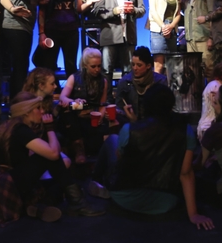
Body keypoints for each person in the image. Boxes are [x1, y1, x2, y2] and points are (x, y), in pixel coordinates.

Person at [88, 84, 214, 230]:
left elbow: (120, 157)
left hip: (125, 198)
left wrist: (134, 124)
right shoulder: (185, 130)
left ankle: (96, 181)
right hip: (166, 201)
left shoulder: (129, 129)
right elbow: (185, 173)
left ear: (145, 106)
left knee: (112, 140)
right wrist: (193, 214)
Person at [0, 91, 105, 225]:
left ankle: (38, 207)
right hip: (3, 186)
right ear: (27, 111)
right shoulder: (20, 130)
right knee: (49, 157)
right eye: (38, 108)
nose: (42, 111)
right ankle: (78, 203)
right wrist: (50, 128)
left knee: (54, 184)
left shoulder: (7, 128)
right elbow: (54, 154)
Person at [3, 0, 62, 100]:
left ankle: (21, 101)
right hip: (15, 28)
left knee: (22, 66)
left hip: (24, 28)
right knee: (19, 68)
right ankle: (17, 103)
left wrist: (37, 1)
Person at [33, 0, 98, 78]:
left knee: (71, 66)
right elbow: (42, 11)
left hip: (71, 31)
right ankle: (53, 89)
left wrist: (91, 1)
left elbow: (78, 8)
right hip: (52, 31)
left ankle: (71, 90)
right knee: (49, 65)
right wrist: (41, 33)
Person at [91, 0, 146, 89]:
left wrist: (133, 10)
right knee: (106, 70)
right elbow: (96, 11)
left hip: (128, 35)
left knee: (128, 70)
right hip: (109, 35)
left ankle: (127, 97)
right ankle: (106, 97)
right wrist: (114, 11)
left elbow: (142, 10)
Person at [58, 47, 108, 164]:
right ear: (85, 65)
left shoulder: (103, 81)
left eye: (99, 66)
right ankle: (78, 149)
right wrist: (74, 101)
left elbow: (102, 103)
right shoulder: (74, 77)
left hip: (92, 115)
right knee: (67, 113)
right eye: (93, 66)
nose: (97, 69)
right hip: (76, 113)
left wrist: (100, 115)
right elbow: (62, 97)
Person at [115, 46, 167, 122]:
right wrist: (126, 114)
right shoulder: (124, 82)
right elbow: (119, 108)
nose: (135, 68)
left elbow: (165, 109)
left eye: (139, 65)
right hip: (130, 123)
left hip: (155, 123)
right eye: (133, 64)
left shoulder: (160, 81)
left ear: (148, 66)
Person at [146, 0, 182, 74]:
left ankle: (169, 85)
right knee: (159, 66)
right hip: (158, 29)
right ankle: (157, 85)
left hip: (172, 29)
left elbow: (178, 14)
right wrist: (163, 26)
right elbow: (153, 11)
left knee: (172, 66)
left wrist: (171, 26)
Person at [182, 0, 215, 78]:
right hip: (191, 40)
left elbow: (213, 15)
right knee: (193, 75)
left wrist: (211, 37)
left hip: (204, 40)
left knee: (208, 72)